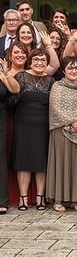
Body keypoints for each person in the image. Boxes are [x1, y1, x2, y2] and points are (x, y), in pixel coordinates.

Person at [46, 57, 77, 212]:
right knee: (61, 164)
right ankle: (58, 199)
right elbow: (55, 107)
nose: (74, 71)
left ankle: (74, 199)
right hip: (61, 130)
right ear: (64, 70)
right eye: (70, 68)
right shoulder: (57, 86)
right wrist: (72, 121)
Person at [12, 48, 56, 210]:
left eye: (43, 60)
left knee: (41, 161)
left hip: (43, 124)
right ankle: (23, 198)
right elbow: (12, 100)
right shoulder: (21, 76)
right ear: (30, 61)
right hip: (22, 123)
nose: (39, 63)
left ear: (47, 63)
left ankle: (40, 198)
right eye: (36, 59)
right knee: (23, 160)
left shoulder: (51, 80)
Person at [0, 57, 20, 213]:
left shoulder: (2, 72)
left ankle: (2, 201)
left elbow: (15, 90)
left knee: (0, 158)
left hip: (1, 118)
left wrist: (6, 74)